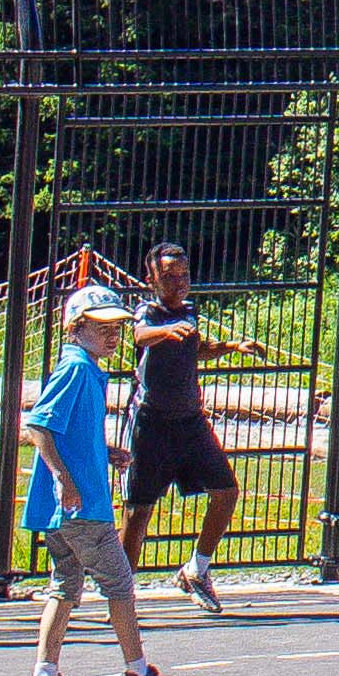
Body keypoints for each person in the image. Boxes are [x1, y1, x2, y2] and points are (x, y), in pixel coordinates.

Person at [18, 286, 189, 676]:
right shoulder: (76, 368)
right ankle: (137, 673)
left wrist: (101, 452)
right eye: (101, 327)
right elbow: (39, 426)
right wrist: (65, 478)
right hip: (81, 507)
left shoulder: (86, 369)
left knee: (66, 585)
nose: (112, 334)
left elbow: (67, 432)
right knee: (119, 584)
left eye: (116, 326)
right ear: (76, 329)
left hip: (68, 508)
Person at [111, 246, 251, 617]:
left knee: (226, 492)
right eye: (169, 276)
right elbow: (140, 335)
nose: (179, 283)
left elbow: (195, 349)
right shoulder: (149, 312)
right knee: (138, 511)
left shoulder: (189, 311)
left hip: (190, 422)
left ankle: (196, 571)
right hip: (151, 423)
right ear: (151, 280)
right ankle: (122, 595)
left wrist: (231, 347)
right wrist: (166, 329)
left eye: (184, 275)